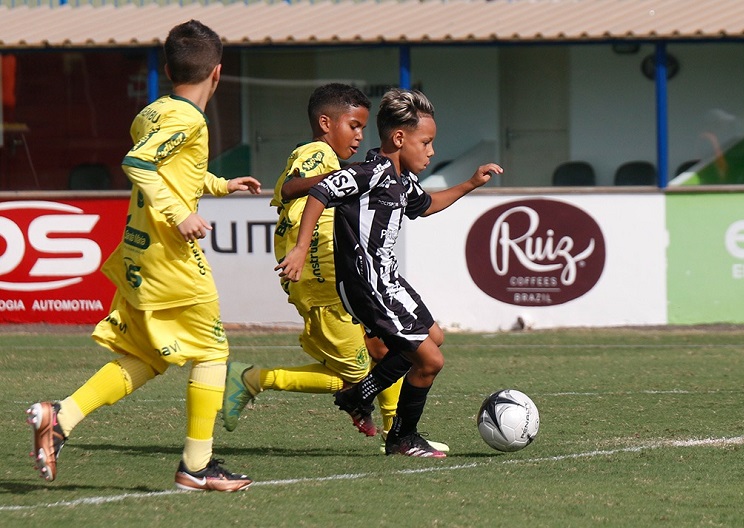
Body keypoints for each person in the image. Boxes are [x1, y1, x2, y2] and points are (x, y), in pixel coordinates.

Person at [25, 20, 260, 492]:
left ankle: (61, 417)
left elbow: (172, 170)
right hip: (168, 254)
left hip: (139, 252)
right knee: (213, 351)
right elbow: (138, 164)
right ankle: (197, 466)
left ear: (169, 69)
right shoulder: (189, 119)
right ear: (217, 73)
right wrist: (179, 214)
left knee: (148, 356)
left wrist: (218, 185)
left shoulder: (155, 111)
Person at [221, 83, 448, 452]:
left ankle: (398, 431)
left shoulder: (376, 174)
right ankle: (253, 379)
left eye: (362, 127)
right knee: (360, 372)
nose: (359, 136)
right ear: (326, 123)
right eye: (353, 126)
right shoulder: (319, 153)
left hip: (340, 276)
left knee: (388, 350)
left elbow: (419, 203)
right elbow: (294, 187)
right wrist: (344, 182)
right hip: (325, 278)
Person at [276, 88, 502, 458]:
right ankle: (402, 437)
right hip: (367, 286)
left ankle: (359, 394)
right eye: (426, 142)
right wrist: (300, 248)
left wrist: (470, 183)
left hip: (388, 281)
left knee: (435, 338)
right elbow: (319, 191)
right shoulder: (371, 173)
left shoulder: (399, 180)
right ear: (399, 138)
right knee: (430, 361)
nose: (431, 151)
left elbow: (426, 206)